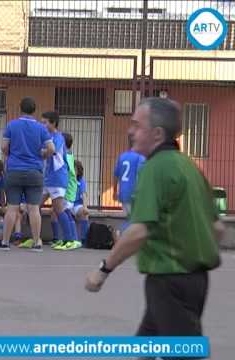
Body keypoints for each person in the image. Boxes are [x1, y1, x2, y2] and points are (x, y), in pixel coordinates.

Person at [85, 97, 224, 360]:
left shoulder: (155, 169)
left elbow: (139, 231)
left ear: (157, 133)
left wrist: (103, 270)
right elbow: (216, 227)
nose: (130, 131)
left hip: (169, 280)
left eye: (137, 125)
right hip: (193, 279)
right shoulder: (189, 167)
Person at [0, 97, 54, 252]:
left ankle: (5, 242)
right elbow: (51, 148)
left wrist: (10, 154)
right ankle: (37, 242)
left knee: (12, 208)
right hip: (34, 171)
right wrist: (42, 155)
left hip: (14, 170)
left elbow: (4, 147)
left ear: (20, 108)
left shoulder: (11, 125)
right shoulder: (41, 128)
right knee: (34, 208)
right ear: (34, 110)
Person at [49, 132, 81, 251]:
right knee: (63, 212)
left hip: (68, 189)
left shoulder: (66, 156)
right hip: (68, 188)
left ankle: (73, 239)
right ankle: (68, 239)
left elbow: (67, 172)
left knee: (66, 212)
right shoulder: (69, 154)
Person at [113, 138, 146, 233]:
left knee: (130, 219)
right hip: (134, 194)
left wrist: (115, 191)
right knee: (136, 221)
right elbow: (140, 175)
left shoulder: (122, 157)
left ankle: (121, 234)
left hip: (123, 193)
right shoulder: (140, 157)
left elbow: (116, 175)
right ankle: (120, 233)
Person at [73, 160, 90, 245]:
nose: (73, 171)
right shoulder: (66, 179)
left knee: (84, 213)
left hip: (76, 205)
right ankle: (57, 238)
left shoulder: (81, 180)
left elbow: (84, 194)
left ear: (78, 171)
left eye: (75, 169)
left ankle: (84, 240)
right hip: (67, 204)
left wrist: (85, 207)